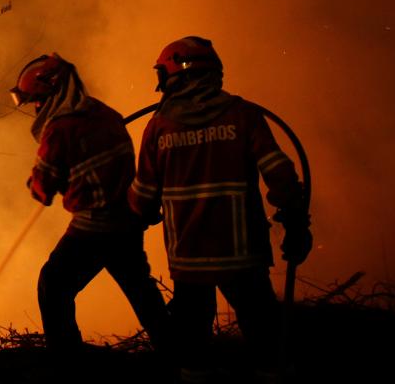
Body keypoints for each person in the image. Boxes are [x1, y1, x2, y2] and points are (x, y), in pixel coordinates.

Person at [127, 36, 313, 383]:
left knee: (193, 344)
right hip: (242, 252)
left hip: (188, 257)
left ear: (175, 74)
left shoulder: (159, 127)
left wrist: (133, 213)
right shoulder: (243, 115)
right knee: (264, 331)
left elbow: (144, 197)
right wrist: (296, 222)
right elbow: (281, 173)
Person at [11, 53, 170, 361]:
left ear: (52, 91)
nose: (36, 108)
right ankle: (178, 354)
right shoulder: (106, 113)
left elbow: (43, 189)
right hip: (128, 222)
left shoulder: (59, 130)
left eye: (38, 100)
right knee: (141, 291)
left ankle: (67, 362)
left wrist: (36, 184)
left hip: (92, 228)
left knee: (53, 285)